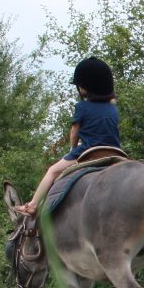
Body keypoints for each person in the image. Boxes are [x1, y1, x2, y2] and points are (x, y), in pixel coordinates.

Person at [18, 56, 120, 216]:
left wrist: (72, 148)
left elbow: (74, 131)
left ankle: (32, 205)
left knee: (52, 171)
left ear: (85, 86)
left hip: (88, 151)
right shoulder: (113, 109)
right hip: (115, 151)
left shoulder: (82, 107)